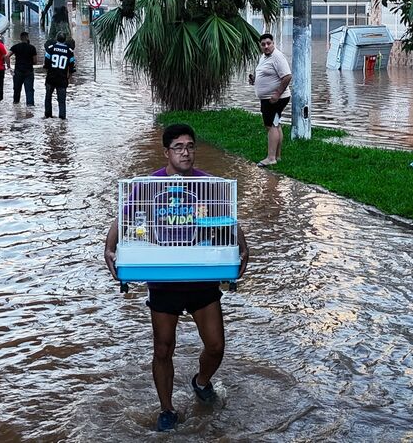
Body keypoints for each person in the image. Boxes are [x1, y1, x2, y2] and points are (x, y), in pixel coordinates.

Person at [103, 123, 249, 432]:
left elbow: (229, 214)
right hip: (163, 276)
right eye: (179, 147)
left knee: (216, 346)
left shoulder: (208, 183)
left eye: (190, 146)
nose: (186, 152)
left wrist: (242, 245)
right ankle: (167, 409)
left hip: (201, 275)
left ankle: (201, 380)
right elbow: (124, 214)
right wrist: (109, 246)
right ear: (166, 152)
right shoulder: (148, 184)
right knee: (163, 348)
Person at [250, 33, 291, 167]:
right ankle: (277, 156)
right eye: (263, 44)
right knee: (275, 124)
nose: (266, 46)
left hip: (274, 99)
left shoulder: (277, 57)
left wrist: (277, 94)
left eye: (269, 43)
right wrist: (255, 81)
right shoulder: (264, 57)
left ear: (273, 43)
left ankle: (271, 158)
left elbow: (287, 76)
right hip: (269, 98)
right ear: (260, 46)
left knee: (271, 126)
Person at [43, 33, 74, 119]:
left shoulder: (50, 48)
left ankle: (48, 116)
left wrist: (48, 73)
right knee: (62, 101)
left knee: (48, 97)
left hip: (51, 77)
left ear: (57, 38)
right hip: (62, 78)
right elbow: (72, 66)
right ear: (65, 40)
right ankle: (62, 119)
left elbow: (46, 64)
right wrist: (69, 76)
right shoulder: (69, 51)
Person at [9, 31, 38, 106]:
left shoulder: (16, 47)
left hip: (18, 71)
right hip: (28, 72)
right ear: (27, 38)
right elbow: (35, 61)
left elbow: (6, 56)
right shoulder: (32, 48)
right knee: (29, 90)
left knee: (17, 89)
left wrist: (9, 67)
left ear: (20, 38)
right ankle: (30, 107)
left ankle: (16, 105)